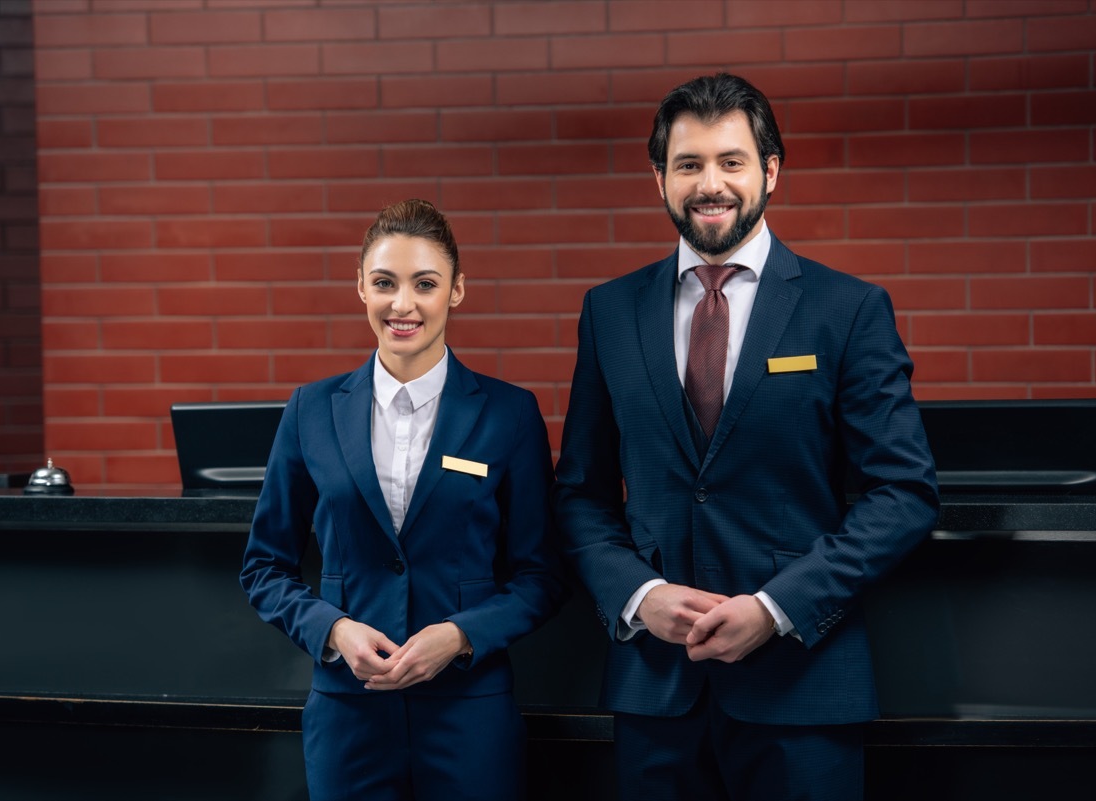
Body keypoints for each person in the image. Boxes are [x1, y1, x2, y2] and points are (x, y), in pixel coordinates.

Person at [552, 73, 940, 801]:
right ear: (659, 178)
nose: (710, 184)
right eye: (688, 164)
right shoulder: (608, 312)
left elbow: (905, 494)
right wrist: (639, 594)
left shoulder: (847, 310)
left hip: (802, 685)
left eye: (731, 162)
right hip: (655, 694)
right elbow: (580, 494)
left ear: (770, 171)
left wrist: (774, 607)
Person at [241, 199, 565, 801]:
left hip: (470, 715)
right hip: (348, 716)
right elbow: (263, 566)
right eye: (385, 283)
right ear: (360, 287)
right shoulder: (311, 411)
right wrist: (334, 631)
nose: (403, 304)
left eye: (425, 284)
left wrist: (460, 636)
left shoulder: (510, 415)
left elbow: (541, 575)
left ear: (457, 291)